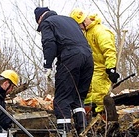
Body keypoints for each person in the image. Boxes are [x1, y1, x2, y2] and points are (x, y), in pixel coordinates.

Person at [34, 7, 94, 135]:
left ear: (39, 19)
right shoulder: (70, 21)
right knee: (78, 98)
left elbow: (49, 43)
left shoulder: (47, 23)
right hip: (88, 58)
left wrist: (48, 65)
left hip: (70, 58)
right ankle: (83, 130)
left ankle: (64, 133)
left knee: (62, 99)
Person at [70, 8, 119, 114]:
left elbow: (109, 51)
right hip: (91, 69)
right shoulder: (87, 32)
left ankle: (104, 120)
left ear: (83, 21)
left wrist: (111, 69)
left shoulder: (101, 32)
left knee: (100, 96)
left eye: (78, 25)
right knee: (87, 96)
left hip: (101, 70)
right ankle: (89, 118)